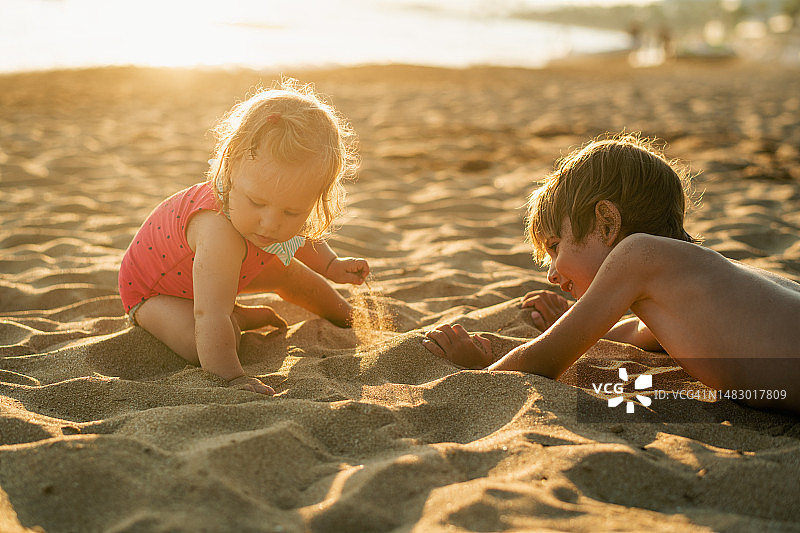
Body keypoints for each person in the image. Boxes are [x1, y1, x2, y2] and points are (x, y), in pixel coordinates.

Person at [423, 133, 800, 413]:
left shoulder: (636, 254)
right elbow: (637, 334)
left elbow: (542, 362)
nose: (552, 273)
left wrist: (480, 370)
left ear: (607, 222)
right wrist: (571, 323)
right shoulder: (685, 280)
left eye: (555, 247)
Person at [119, 79, 369, 395]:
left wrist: (332, 265)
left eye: (291, 212)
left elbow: (302, 238)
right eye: (257, 203)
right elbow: (209, 314)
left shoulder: (267, 210)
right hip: (155, 292)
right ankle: (238, 318)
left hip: (226, 269)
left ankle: (352, 319)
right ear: (231, 168)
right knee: (202, 343)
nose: (270, 224)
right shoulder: (217, 232)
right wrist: (233, 379)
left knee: (290, 275)